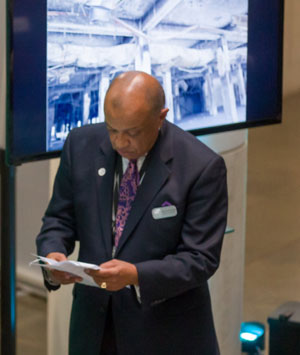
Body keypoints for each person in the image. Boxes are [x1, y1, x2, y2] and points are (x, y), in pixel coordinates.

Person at [36, 71, 228, 354]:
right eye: (112, 129)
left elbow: (200, 259)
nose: (119, 143)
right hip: (95, 328)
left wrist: (137, 274)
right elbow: (59, 219)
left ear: (160, 117)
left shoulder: (201, 167)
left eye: (132, 133)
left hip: (165, 333)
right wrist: (54, 257)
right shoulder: (80, 145)